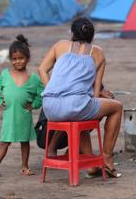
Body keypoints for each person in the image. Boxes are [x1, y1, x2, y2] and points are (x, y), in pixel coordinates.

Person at [38, 17, 123, 178]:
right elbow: (96, 93)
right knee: (116, 107)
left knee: (82, 114)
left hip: (50, 106)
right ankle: (107, 157)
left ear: (72, 33)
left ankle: (90, 166)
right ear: (92, 36)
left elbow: (41, 69)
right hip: (76, 105)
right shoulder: (98, 52)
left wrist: (52, 90)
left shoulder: (60, 45)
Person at [0, 35, 44, 179]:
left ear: (27, 58)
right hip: (9, 115)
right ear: (11, 60)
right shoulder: (5, 74)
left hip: (24, 115)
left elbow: (41, 94)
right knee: (4, 142)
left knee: (24, 142)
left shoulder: (34, 78)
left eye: (21, 58)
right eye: (14, 59)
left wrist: (34, 105)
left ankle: (24, 166)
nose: (18, 61)